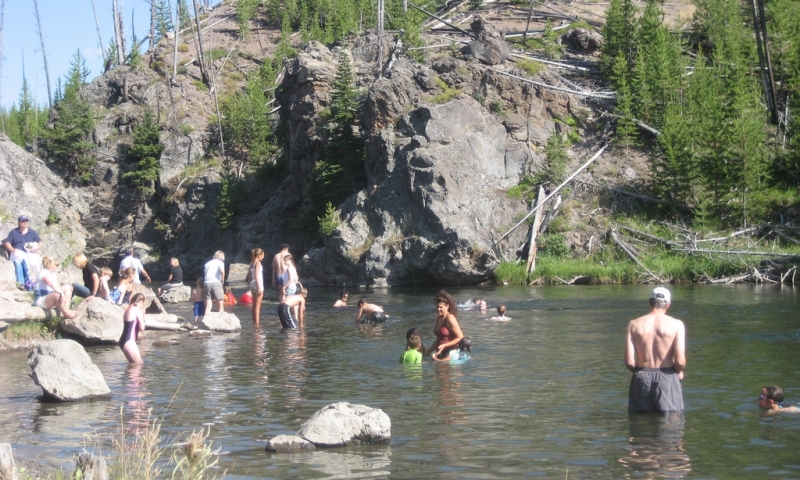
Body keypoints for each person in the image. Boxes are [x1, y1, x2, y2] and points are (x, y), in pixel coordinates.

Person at [625, 287, 687, 414]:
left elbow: (629, 362)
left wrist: (641, 374)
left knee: (640, 426)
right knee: (671, 424)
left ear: (650, 302)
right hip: (667, 377)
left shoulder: (633, 324)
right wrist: (679, 372)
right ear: (668, 304)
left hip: (641, 377)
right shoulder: (677, 324)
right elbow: (680, 361)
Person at [3, 215, 42, 289]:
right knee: (19, 261)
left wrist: (37, 247)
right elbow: (7, 243)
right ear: (19, 222)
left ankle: (37, 283)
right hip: (18, 251)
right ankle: (21, 283)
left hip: (29, 252)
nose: (25, 222)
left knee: (36, 263)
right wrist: (12, 250)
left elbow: (40, 242)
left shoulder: (32, 232)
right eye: (23, 221)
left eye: (26, 221)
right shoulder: (13, 232)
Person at [424, 290, 465, 360]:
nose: (438, 309)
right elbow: (439, 339)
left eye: (441, 307)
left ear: (447, 306)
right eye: (437, 307)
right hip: (440, 353)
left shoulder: (450, 318)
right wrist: (427, 352)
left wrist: (445, 345)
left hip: (451, 355)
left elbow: (460, 337)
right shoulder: (438, 318)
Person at [119, 293, 146, 364]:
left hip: (123, 340)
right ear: (141, 302)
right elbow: (142, 328)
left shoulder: (127, 310)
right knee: (138, 364)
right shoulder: (137, 310)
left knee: (133, 364)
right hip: (129, 341)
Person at [247, 248, 264, 324]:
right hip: (257, 283)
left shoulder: (251, 263)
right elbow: (257, 274)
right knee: (258, 306)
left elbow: (250, 276)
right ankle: (257, 324)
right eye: (262, 256)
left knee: (254, 304)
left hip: (252, 283)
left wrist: (249, 285)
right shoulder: (258, 263)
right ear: (259, 255)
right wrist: (260, 287)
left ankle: (254, 322)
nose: (263, 257)